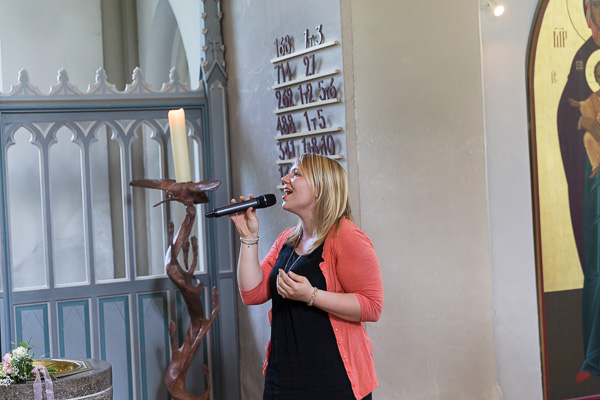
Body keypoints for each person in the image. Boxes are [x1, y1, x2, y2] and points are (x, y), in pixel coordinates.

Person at [229, 153, 383, 399]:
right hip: (282, 380)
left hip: (333, 382)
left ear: (320, 189)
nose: (285, 178)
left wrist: (311, 295)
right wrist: (248, 237)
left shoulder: (347, 236)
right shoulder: (287, 239)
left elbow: (372, 306)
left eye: (297, 173)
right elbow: (252, 293)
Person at [557, 0, 600, 382]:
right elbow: (569, 120)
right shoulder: (581, 66)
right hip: (596, 187)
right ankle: (593, 356)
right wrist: (585, 121)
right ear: (587, 12)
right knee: (597, 267)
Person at [568, 60, 600, 179]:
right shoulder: (593, 97)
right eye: (599, 76)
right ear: (595, 78)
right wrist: (578, 104)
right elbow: (586, 105)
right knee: (588, 137)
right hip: (598, 131)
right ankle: (596, 164)